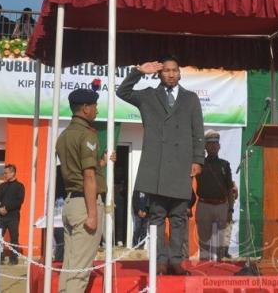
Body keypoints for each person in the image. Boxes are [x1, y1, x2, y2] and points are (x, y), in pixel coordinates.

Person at [116, 57, 205, 276]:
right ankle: (159, 261)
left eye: (174, 70)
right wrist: (139, 71)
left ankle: (176, 261)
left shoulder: (191, 98)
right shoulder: (148, 96)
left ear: (180, 73)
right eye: (166, 71)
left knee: (179, 218)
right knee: (156, 217)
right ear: (159, 74)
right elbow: (122, 92)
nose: (171, 74)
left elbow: (198, 131)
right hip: (157, 168)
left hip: (181, 167)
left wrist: (197, 160)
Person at [55, 84, 111, 293]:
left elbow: (79, 170)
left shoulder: (64, 135)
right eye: (94, 106)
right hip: (85, 204)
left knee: (70, 266)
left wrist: (102, 163)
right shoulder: (87, 135)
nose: (97, 110)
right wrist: (92, 214)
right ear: (86, 108)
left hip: (71, 202)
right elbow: (88, 176)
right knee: (79, 272)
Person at [196, 130, 235, 262]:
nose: (213, 146)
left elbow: (230, 189)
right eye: (210, 143)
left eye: (215, 143)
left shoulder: (225, 165)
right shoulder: (199, 163)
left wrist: (230, 209)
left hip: (221, 206)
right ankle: (203, 268)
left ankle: (220, 267)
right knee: (204, 244)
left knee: (220, 245)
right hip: (204, 205)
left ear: (219, 146)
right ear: (205, 146)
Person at [0, 164, 25, 265]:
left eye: (6, 173)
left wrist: (6, 208)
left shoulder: (20, 186)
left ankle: (13, 258)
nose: (4, 175)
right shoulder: (2, 186)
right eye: (4, 173)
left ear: (13, 173)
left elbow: (19, 201)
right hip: (1, 217)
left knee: (14, 238)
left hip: (13, 216)